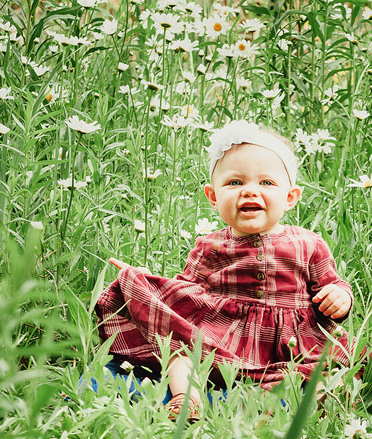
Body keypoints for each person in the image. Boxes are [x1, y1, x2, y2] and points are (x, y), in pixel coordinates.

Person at [95, 120, 354, 420]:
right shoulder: (210, 247)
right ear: (213, 196)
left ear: (290, 196)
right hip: (219, 342)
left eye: (266, 183)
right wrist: (145, 283)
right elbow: (181, 298)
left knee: (313, 382)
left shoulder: (309, 244)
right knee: (181, 348)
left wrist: (340, 297)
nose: (249, 192)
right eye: (235, 183)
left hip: (286, 349)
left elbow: (333, 284)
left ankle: (267, 401)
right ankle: (186, 398)